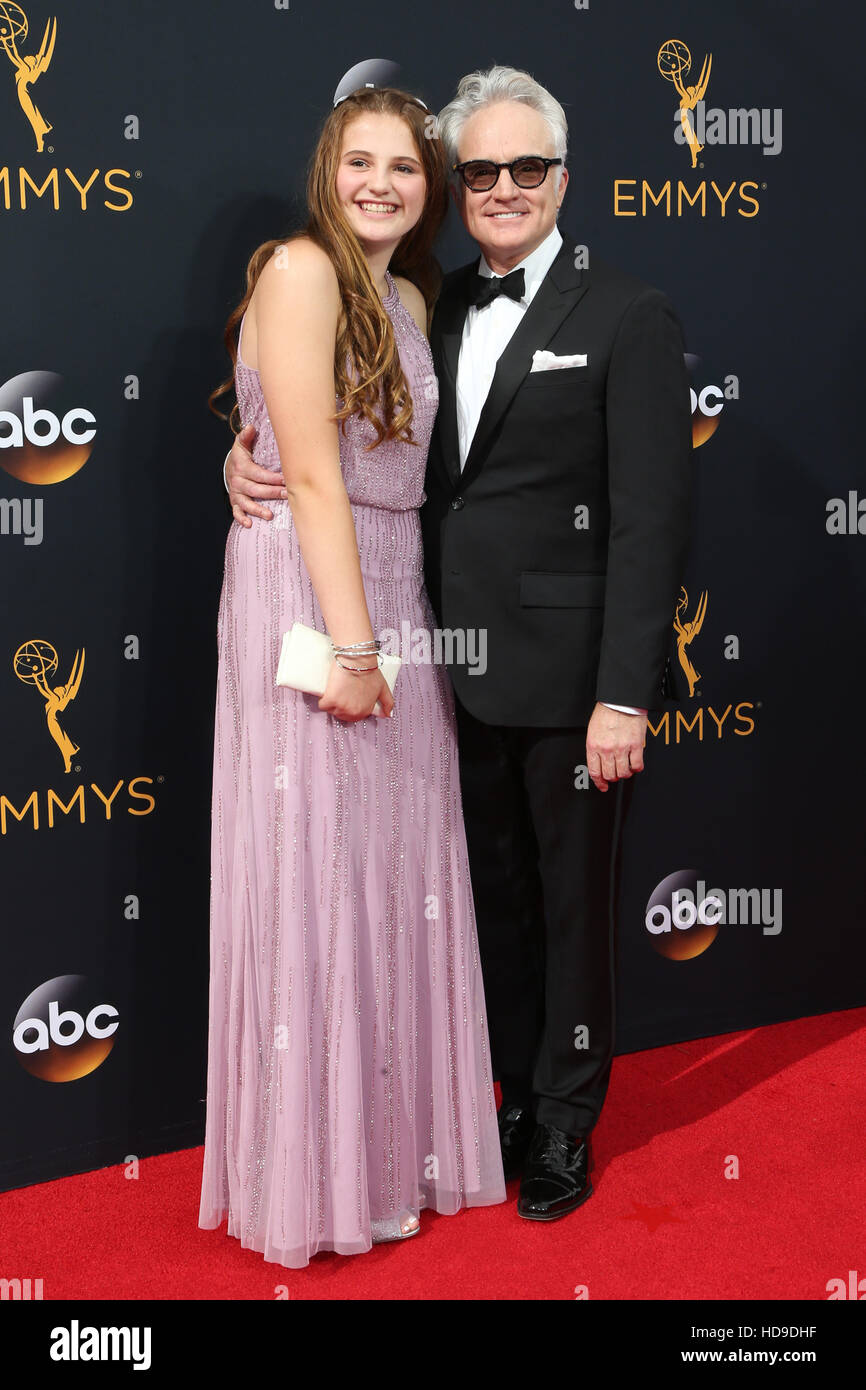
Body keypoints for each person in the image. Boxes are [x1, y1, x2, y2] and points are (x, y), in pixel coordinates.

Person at [225, 65, 692, 1224]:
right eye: (476, 170)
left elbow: (649, 523)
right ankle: (512, 1099)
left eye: (522, 168)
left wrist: (623, 695)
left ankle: (565, 1127)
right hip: (434, 660)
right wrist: (236, 456)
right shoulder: (417, 298)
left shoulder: (625, 313)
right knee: (488, 907)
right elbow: (317, 427)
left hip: (564, 676)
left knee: (575, 908)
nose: (498, 188)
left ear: (560, 179)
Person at [198, 84, 506, 1270]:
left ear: (428, 189)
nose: (382, 183)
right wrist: (357, 645)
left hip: (391, 582)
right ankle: (308, 1179)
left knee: (393, 871)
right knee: (316, 869)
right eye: (360, 161)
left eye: (406, 168)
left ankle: (388, 1155)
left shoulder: (409, 295)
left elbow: (331, 457)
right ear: (327, 167)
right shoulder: (299, 270)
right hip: (319, 596)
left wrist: (244, 452)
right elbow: (312, 479)